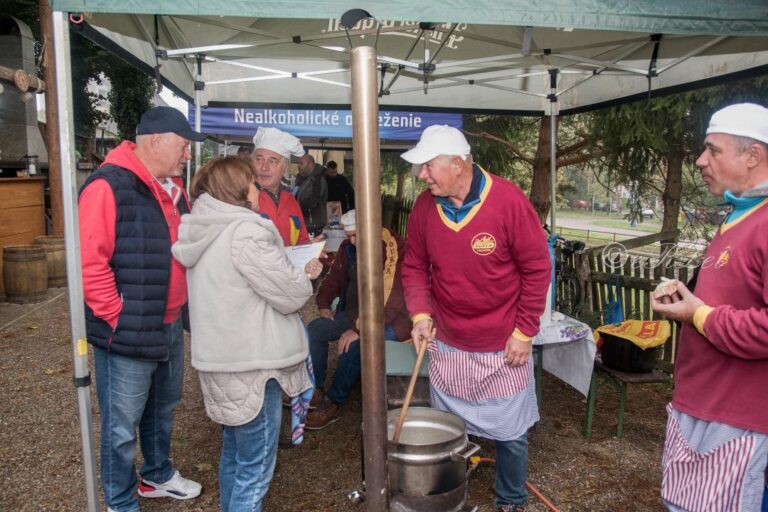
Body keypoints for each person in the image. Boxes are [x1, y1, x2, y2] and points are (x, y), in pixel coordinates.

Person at [399, 125, 552, 512]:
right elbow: (414, 264)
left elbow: (537, 269)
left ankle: (511, 500)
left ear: (459, 162)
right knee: (448, 431)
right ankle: (451, 494)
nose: (422, 175)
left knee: (511, 432)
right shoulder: (423, 207)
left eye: (428, 166)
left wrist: (524, 331)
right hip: (449, 340)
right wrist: (420, 315)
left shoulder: (508, 201)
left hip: (503, 343)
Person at [172, 156, 323, 511]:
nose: (257, 188)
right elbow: (289, 295)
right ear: (238, 190)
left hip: (223, 360)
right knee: (254, 468)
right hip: (255, 366)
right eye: (251, 183)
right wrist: (306, 275)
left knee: (235, 456)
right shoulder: (246, 232)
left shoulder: (204, 228)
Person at [78, 106, 205, 512]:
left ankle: (156, 474)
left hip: (167, 323)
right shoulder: (107, 186)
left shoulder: (173, 187)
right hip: (128, 329)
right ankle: (118, 500)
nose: (187, 155)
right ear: (155, 141)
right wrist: (117, 317)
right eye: (182, 146)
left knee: (162, 407)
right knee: (120, 425)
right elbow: (90, 263)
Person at [651, 103, 768, 512]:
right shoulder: (738, 216)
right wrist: (689, 301)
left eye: (713, 150)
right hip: (700, 402)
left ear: (753, 155)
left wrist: (697, 314)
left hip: (738, 418)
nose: (700, 160)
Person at [305, 210, 411, 429]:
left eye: (355, 235)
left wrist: (359, 330)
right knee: (316, 328)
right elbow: (335, 276)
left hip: (391, 321)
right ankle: (315, 388)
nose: (351, 240)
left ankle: (334, 400)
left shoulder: (391, 245)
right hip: (355, 315)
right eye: (349, 235)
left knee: (355, 345)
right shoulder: (348, 246)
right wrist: (324, 303)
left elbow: (391, 297)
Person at [251, 127, 310, 246]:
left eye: (272, 161)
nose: (264, 167)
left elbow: (302, 240)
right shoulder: (241, 197)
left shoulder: (291, 200)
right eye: (259, 159)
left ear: (285, 169)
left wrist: (310, 249)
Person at [296, 153, 329, 237]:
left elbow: (313, 201)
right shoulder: (302, 179)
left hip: (313, 227)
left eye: (301, 163)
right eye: (298, 163)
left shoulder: (318, 180)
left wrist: (295, 205)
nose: (298, 166)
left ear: (310, 164)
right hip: (303, 225)